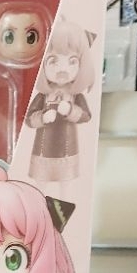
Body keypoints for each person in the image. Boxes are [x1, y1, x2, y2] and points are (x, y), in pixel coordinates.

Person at [25, 17, 95, 183]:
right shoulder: (43, 96)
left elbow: (86, 116)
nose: (63, 69)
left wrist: (70, 110)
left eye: (72, 62)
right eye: (53, 61)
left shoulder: (76, 96)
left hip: (67, 149)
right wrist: (42, 118)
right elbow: (29, 119)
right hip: (43, 148)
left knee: (66, 183)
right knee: (41, 182)